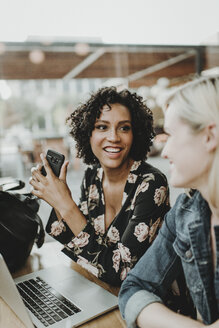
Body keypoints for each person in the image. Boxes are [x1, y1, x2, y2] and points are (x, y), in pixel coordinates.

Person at [29, 86, 170, 286]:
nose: (113, 137)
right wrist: (59, 197)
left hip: (151, 300)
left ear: (136, 133)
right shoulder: (93, 175)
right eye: (102, 127)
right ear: (88, 134)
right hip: (102, 289)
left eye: (124, 127)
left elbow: (122, 271)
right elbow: (77, 237)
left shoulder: (152, 183)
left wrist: (65, 204)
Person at [118, 76, 219, 326]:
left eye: (171, 135)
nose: (165, 151)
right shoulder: (186, 211)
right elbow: (134, 287)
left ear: (210, 136)